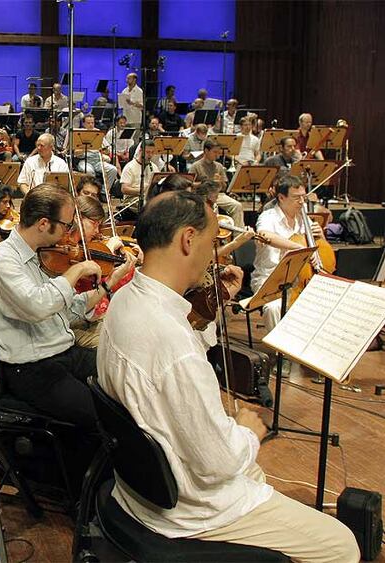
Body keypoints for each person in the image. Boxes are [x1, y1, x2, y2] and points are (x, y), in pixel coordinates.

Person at [97, 190, 359, 563]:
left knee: (252, 474)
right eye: (213, 241)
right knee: (342, 546)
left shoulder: (127, 300)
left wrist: (214, 304)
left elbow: (176, 351)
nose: (215, 252)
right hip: (187, 509)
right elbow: (216, 462)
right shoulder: (173, 343)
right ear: (188, 239)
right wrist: (248, 432)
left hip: (136, 489)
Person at [0, 183, 111, 429]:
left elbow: (67, 309)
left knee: (123, 380)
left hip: (65, 352)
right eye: (66, 224)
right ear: (44, 224)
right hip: (31, 367)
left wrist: (108, 285)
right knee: (103, 416)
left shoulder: (41, 255)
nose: (68, 232)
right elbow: (37, 306)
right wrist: (77, 270)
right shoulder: (4, 259)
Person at [251, 175, 325, 335]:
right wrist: (299, 249)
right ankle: (282, 355)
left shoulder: (303, 218)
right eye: (296, 198)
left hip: (301, 282)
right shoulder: (268, 217)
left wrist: (321, 235)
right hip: (270, 279)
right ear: (281, 197)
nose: (301, 202)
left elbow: (321, 249)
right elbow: (265, 234)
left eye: (303, 197)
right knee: (273, 308)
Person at [68, 195, 137, 348]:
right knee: (121, 344)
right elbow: (89, 288)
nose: (98, 231)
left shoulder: (88, 247)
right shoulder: (67, 251)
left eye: (100, 225)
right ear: (78, 218)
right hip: (73, 323)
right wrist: (110, 254)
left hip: (93, 316)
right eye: (94, 224)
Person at [190, 139, 245, 227]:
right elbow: (190, 186)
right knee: (213, 206)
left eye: (218, 152)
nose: (217, 155)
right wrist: (205, 183)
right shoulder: (196, 166)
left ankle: (238, 235)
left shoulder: (219, 166)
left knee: (237, 205)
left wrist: (221, 182)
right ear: (206, 151)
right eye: (215, 152)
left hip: (218, 195)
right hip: (202, 196)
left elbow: (224, 188)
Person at [74, 114, 118, 189]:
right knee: (89, 171)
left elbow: (107, 150)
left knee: (113, 169)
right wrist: (88, 146)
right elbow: (76, 153)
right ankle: (91, 190)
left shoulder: (97, 133)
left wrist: (105, 150)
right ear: (84, 124)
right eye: (88, 123)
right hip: (85, 160)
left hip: (97, 160)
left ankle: (104, 191)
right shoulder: (79, 133)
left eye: (92, 123)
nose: (91, 125)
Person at [120, 140, 159, 217]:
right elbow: (124, 189)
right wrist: (143, 190)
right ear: (140, 151)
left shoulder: (154, 167)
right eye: (148, 152)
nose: (150, 155)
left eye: (152, 152)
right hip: (133, 201)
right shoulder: (130, 167)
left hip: (148, 199)